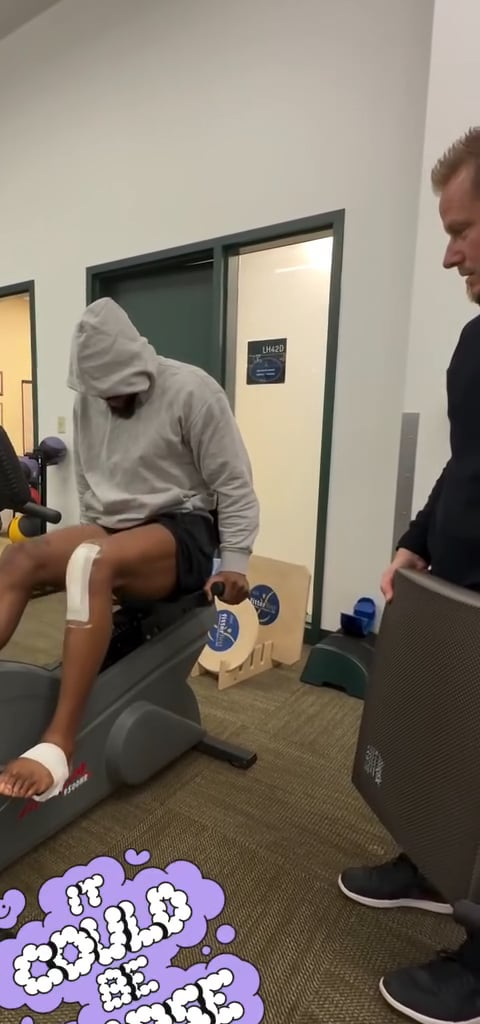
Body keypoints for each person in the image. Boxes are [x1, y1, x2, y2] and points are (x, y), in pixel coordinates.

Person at [0, 297, 258, 801]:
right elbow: (89, 485)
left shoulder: (193, 391)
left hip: (183, 529)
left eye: (118, 390)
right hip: (111, 528)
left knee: (90, 563)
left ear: (139, 366)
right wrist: (83, 552)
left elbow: (234, 484)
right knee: (20, 556)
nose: (110, 401)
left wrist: (235, 561)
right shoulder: (89, 401)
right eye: (101, 392)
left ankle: (58, 744)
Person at [339, 127, 480, 1024]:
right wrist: (417, 538)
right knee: (448, 749)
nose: (449, 255)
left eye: (462, 230)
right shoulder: (474, 341)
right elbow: (467, 464)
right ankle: (434, 869)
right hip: (458, 591)